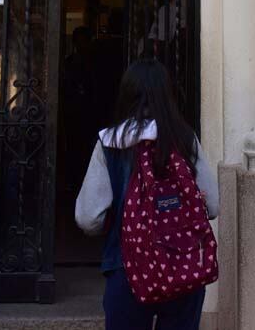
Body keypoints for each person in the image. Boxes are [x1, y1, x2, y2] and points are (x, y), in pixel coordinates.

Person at [75, 58, 218, 330]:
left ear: (126, 94)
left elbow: (88, 217)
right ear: (167, 95)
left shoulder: (110, 142)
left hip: (127, 268)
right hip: (184, 267)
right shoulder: (185, 139)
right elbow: (212, 204)